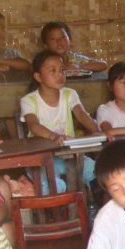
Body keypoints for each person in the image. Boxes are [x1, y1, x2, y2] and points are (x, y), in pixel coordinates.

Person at [20, 49, 100, 193]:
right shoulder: (29, 100)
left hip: (70, 154)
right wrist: (54, 136)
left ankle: (94, 201)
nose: (60, 74)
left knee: (97, 171)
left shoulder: (70, 94)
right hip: (43, 157)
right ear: (38, 77)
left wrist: (97, 131)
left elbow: (81, 115)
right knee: (53, 185)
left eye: (62, 70)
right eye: (53, 70)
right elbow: (33, 125)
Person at [40, 21, 107, 72]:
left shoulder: (75, 58)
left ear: (70, 40)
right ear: (46, 45)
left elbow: (103, 65)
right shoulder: (44, 62)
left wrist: (79, 67)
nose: (59, 41)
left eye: (63, 37)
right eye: (53, 39)